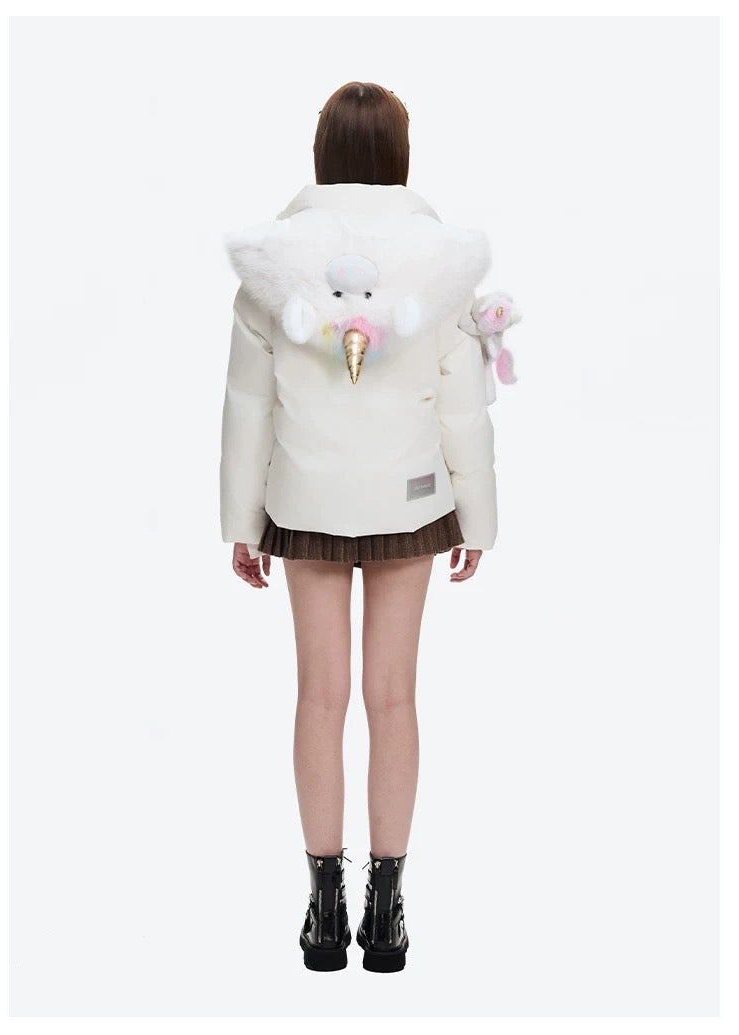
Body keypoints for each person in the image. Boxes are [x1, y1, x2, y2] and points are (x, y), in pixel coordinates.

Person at [220, 82, 507, 973]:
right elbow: (462, 406)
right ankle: (386, 909)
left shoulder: (272, 260)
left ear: (321, 156)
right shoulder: (441, 260)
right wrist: (478, 519)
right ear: (399, 157)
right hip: (411, 501)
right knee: (393, 698)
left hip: (302, 502)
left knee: (319, 697)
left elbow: (248, 406)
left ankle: (322, 904)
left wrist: (242, 522)